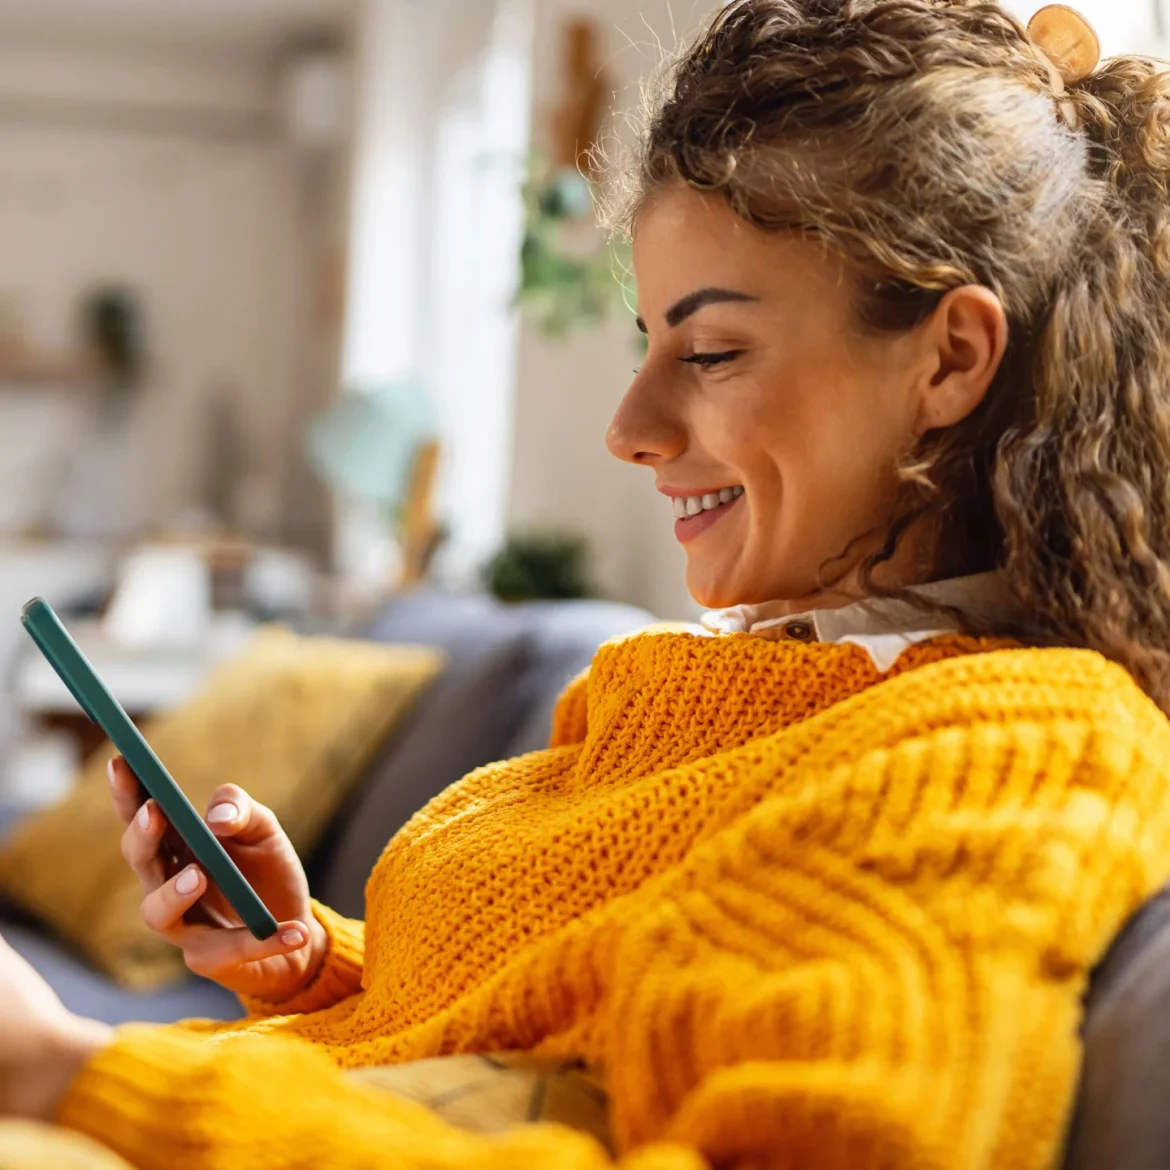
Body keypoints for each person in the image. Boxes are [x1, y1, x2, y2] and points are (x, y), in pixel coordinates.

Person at [4, 1, 1170, 1166]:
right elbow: (553, 1020)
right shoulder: (725, 692)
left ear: (950, 359)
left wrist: (70, 1075)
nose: (630, 428)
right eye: (646, 345)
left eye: (710, 354)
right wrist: (312, 960)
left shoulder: (1006, 752)